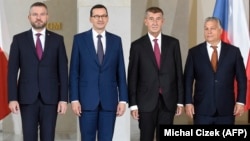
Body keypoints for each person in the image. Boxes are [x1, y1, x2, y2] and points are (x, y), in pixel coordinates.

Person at [8, 2, 68, 141]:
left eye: (42, 14)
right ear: (29, 17)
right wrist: (12, 98)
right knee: (29, 137)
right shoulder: (18, 40)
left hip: (51, 99)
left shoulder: (58, 40)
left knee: (48, 138)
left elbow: (63, 71)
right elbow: (12, 72)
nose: (38, 17)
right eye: (35, 14)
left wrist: (64, 99)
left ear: (47, 17)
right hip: (27, 99)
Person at [69, 4, 128, 141]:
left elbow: (120, 72)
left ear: (107, 18)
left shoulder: (116, 40)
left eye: (103, 16)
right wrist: (74, 99)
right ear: (91, 19)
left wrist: (123, 100)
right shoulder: (79, 40)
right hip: (86, 102)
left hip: (110, 101)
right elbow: (74, 72)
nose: (100, 19)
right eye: (96, 16)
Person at [128, 7, 184, 141]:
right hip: (145, 102)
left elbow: (179, 74)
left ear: (163, 21)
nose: (155, 22)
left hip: (168, 101)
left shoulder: (173, 44)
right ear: (145, 21)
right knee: (146, 137)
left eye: (158, 19)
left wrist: (180, 102)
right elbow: (132, 77)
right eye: (151, 19)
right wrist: (133, 104)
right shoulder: (137, 46)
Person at [184, 17, 246, 124]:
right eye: (206, 29)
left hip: (226, 109)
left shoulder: (233, 52)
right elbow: (187, 80)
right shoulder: (194, 53)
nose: (209, 32)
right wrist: (188, 102)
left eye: (212, 28)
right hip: (201, 110)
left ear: (220, 31)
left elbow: (242, 79)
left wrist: (240, 101)